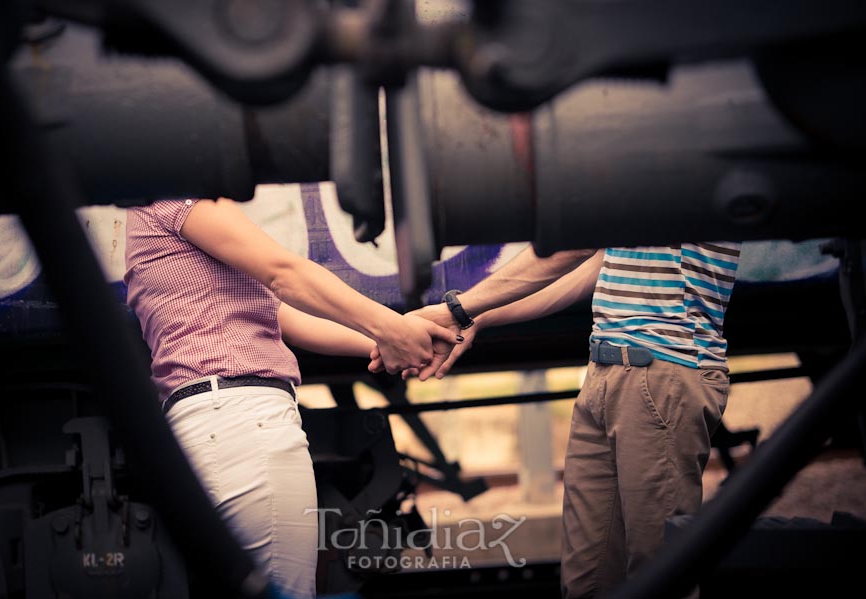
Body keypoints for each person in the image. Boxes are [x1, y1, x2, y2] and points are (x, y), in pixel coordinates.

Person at [124, 196, 461, 599]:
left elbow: (284, 316)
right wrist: (390, 328)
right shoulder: (180, 196)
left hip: (218, 424)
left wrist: (395, 338)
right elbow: (285, 273)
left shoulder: (165, 213)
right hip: (243, 426)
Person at [393, 242, 740, 598]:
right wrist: (474, 317)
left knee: (660, 575)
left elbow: (574, 245)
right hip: (608, 370)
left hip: (659, 369)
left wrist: (457, 308)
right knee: (586, 581)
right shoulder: (634, 219)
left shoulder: (653, 187)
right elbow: (593, 266)